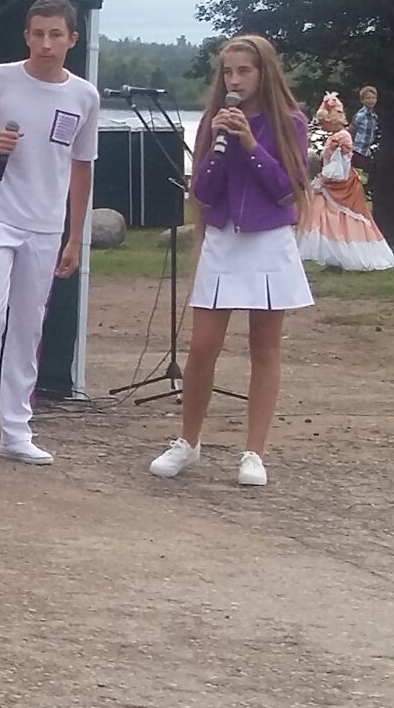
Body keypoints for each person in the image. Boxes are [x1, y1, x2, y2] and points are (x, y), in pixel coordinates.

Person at [148, 36, 312, 487]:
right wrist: (220, 145)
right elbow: (202, 193)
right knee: (202, 346)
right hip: (223, 237)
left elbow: (287, 190)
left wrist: (251, 145)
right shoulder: (212, 121)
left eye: (244, 71)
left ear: (264, 73)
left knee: (265, 347)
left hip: (268, 239)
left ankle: (254, 452)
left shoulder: (290, 122)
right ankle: (188, 442)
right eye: (228, 72)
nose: (234, 80)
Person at [0, 0, 98, 467]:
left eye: (56, 35)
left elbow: (82, 166)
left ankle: (16, 429)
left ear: (73, 39)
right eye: (38, 34)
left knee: (28, 325)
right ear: (26, 36)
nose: (46, 44)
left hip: (46, 225)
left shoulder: (84, 96)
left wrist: (75, 236)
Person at [297, 93, 393, 271]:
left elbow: (339, 169)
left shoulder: (341, 138)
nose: (322, 125)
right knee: (327, 217)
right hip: (335, 183)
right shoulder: (338, 136)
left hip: (340, 185)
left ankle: (345, 257)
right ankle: (334, 258)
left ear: (332, 120)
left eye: (324, 122)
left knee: (341, 219)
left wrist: (322, 179)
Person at [352, 85, 379, 172]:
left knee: (366, 175)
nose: (371, 100)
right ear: (362, 100)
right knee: (358, 174)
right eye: (368, 98)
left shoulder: (374, 116)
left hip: (366, 152)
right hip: (357, 151)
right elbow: (352, 130)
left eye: (373, 98)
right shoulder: (360, 115)